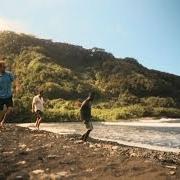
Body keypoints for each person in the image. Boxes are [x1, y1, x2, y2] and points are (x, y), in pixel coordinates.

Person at [0, 60, 14, 128]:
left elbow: (12, 80)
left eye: (5, 67)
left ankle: (3, 121)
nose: (4, 68)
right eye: (3, 67)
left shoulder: (9, 74)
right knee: (0, 111)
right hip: (0, 97)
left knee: (10, 109)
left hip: (8, 95)